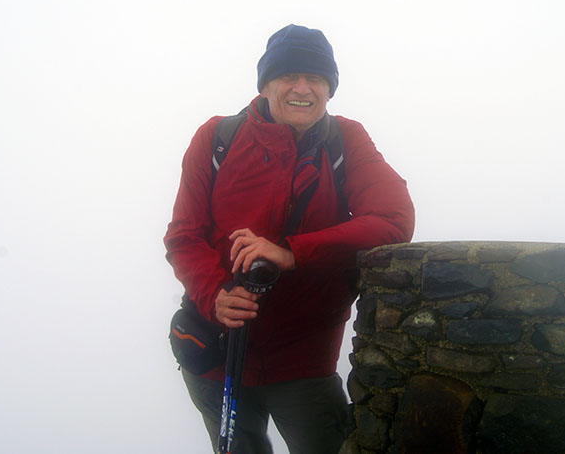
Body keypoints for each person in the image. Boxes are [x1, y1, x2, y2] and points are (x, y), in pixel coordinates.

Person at [164, 24, 415, 454]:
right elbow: (183, 237)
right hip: (217, 357)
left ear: (330, 88)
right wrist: (214, 295)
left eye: (316, 78)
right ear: (265, 84)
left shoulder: (345, 140)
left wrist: (292, 253)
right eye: (289, 76)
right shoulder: (216, 139)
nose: (303, 88)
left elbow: (394, 220)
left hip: (303, 362)